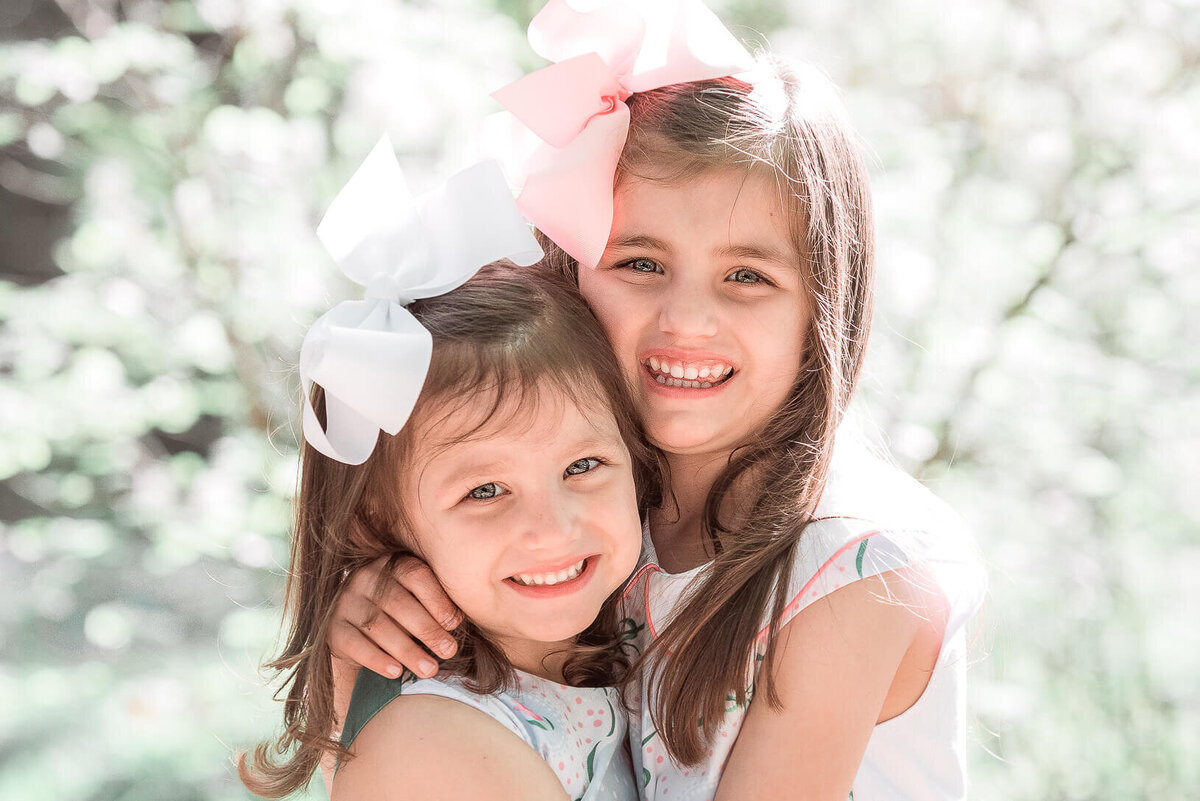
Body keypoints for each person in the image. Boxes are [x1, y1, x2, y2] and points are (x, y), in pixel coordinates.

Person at [328, 2, 987, 799]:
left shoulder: (850, 572)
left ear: (822, 309)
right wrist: (374, 635)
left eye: (748, 276)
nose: (688, 320)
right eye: (640, 263)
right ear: (569, 269)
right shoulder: (591, 508)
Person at [239, 140, 661, 801]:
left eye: (583, 464)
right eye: (485, 490)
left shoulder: (631, 632)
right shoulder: (433, 750)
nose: (552, 526)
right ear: (381, 517)